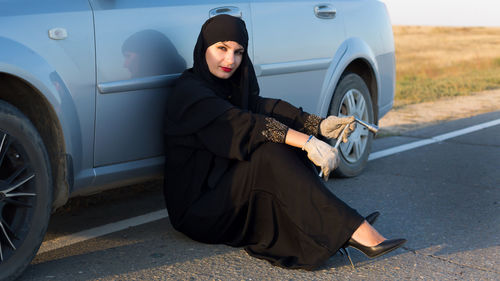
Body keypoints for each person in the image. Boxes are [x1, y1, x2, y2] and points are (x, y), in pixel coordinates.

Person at [163, 14, 406, 270]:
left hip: (225, 193)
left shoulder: (229, 87)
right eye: (221, 48)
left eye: (238, 52)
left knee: (280, 144)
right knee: (271, 150)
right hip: (198, 212)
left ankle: (338, 225)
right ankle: (350, 227)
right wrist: (308, 142)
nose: (230, 60)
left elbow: (266, 108)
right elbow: (242, 123)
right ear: (204, 48)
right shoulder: (190, 92)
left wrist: (317, 124)